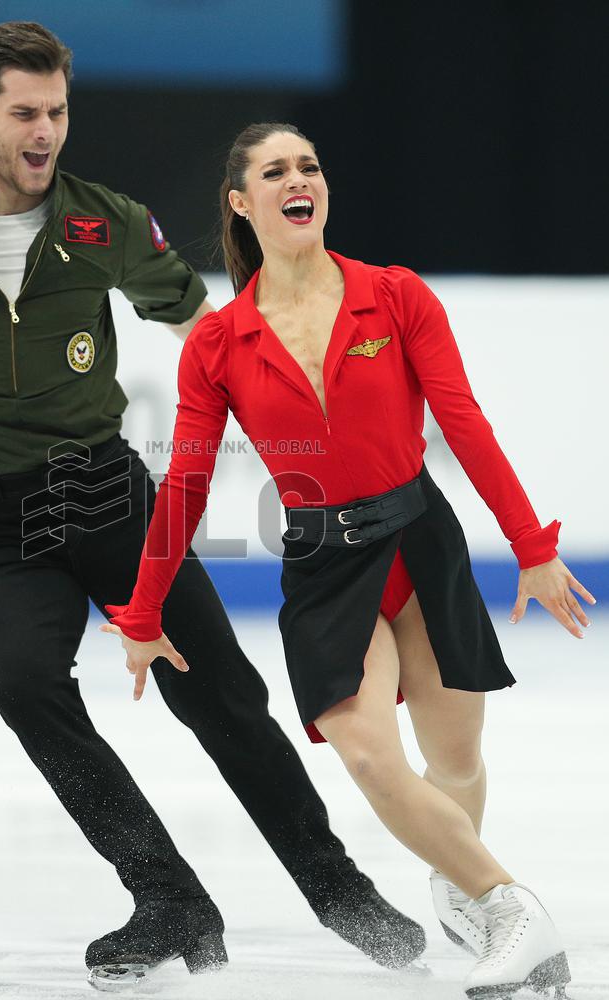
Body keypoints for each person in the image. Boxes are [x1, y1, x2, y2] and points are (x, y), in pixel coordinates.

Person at [0, 25, 427, 990]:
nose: (46, 132)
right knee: (23, 682)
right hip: (0, 524)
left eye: (58, 112)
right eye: (26, 113)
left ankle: (341, 893)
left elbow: (204, 323)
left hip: (113, 498)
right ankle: (168, 897)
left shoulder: (105, 221)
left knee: (226, 699)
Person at [102, 121, 596, 1000]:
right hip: (327, 565)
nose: (300, 180)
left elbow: (464, 424)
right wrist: (140, 616)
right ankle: (514, 910)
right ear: (242, 203)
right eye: (276, 171)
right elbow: (183, 484)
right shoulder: (218, 345)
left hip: (419, 539)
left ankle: (468, 889)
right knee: (367, 755)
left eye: (311, 166)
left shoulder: (394, 296)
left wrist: (532, 549)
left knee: (454, 761)